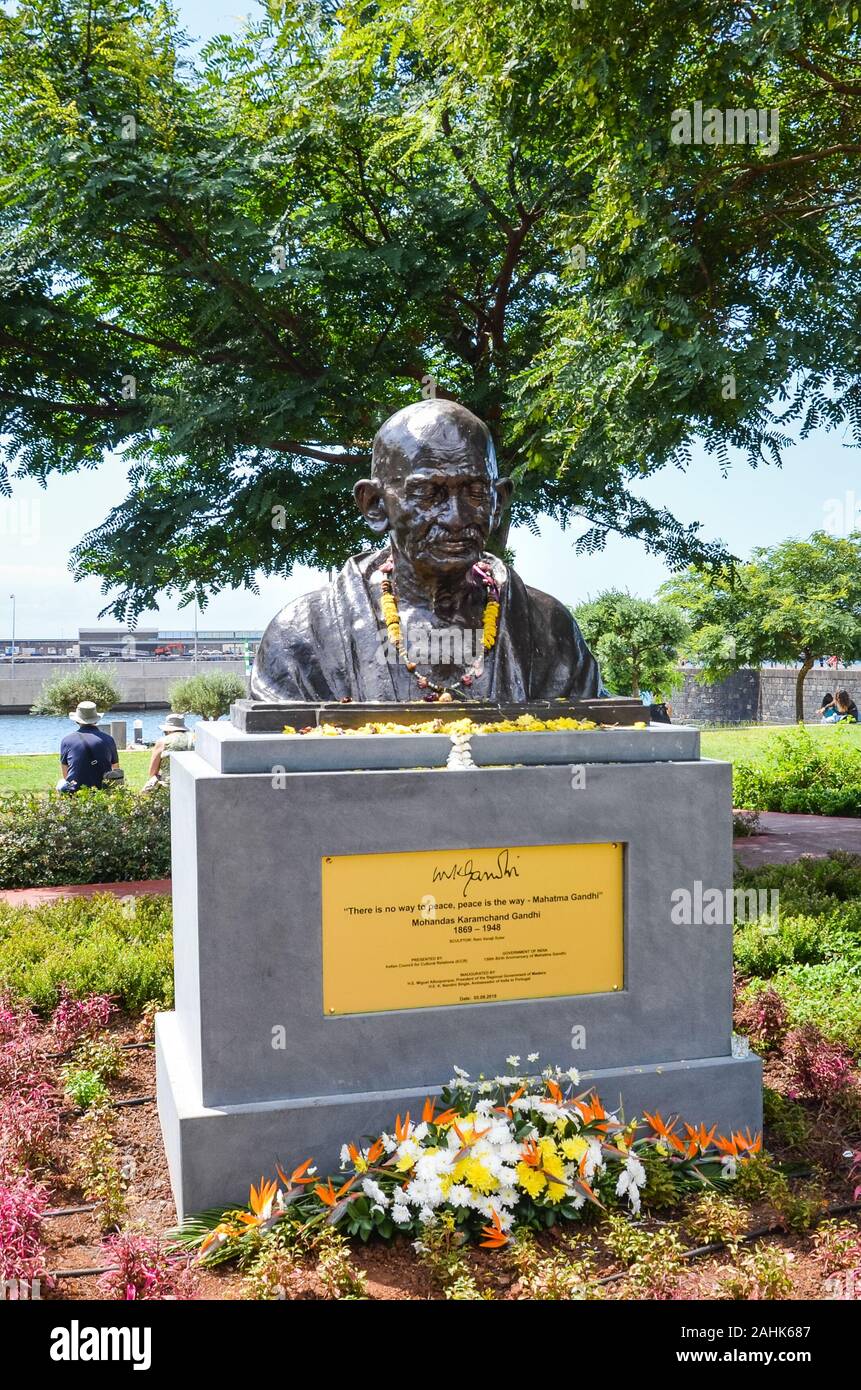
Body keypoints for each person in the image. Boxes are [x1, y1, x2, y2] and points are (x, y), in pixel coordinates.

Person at [251, 399, 605, 703]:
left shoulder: (549, 631)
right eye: (428, 493)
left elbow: (595, 752)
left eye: (475, 492)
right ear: (374, 505)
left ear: (498, 504)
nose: (455, 517)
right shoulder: (301, 638)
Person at [58, 701, 121, 792]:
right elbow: (115, 769)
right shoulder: (108, 739)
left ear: (77, 720)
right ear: (96, 719)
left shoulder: (67, 740)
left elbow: (65, 775)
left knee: (61, 782)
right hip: (102, 789)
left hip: (75, 791)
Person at [142, 713, 195, 790]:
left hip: (169, 787)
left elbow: (152, 772)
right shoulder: (194, 739)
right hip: (192, 784)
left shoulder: (162, 741)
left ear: (168, 730)